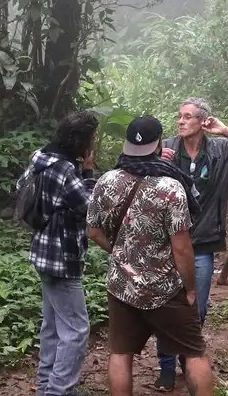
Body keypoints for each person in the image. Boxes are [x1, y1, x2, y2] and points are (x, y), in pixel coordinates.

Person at [87, 115, 214, 396]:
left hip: (121, 287)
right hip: (165, 288)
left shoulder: (106, 181)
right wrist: (191, 288)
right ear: (159, 144)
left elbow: (93, 232)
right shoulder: (170, 187)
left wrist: (119, 251)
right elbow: (181, 247)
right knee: (194, 353)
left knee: (121, 354)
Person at [151, 98, 228, 391]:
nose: (180, 121)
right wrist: (156, 165)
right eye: (179, 116)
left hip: (202, 243)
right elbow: (140, 181)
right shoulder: (165, 148)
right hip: (167, 241)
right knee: (166, 305)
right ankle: (165, 366)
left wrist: (227, 131)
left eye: (187, 116)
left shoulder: (221, 151)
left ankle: (185, 359)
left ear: (203, 122)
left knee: (195, 309)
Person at [20, 111, 100, 396]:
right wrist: (89, 173)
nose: (93, 142)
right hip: (62, 258)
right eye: (91, 138)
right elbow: (91, 208)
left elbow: (22, 189)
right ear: (80, 140)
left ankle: (46, 388)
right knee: (76, 331)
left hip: (42, 252)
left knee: (53, 326)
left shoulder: (40, 158)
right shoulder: (64, 169)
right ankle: (58, 391)